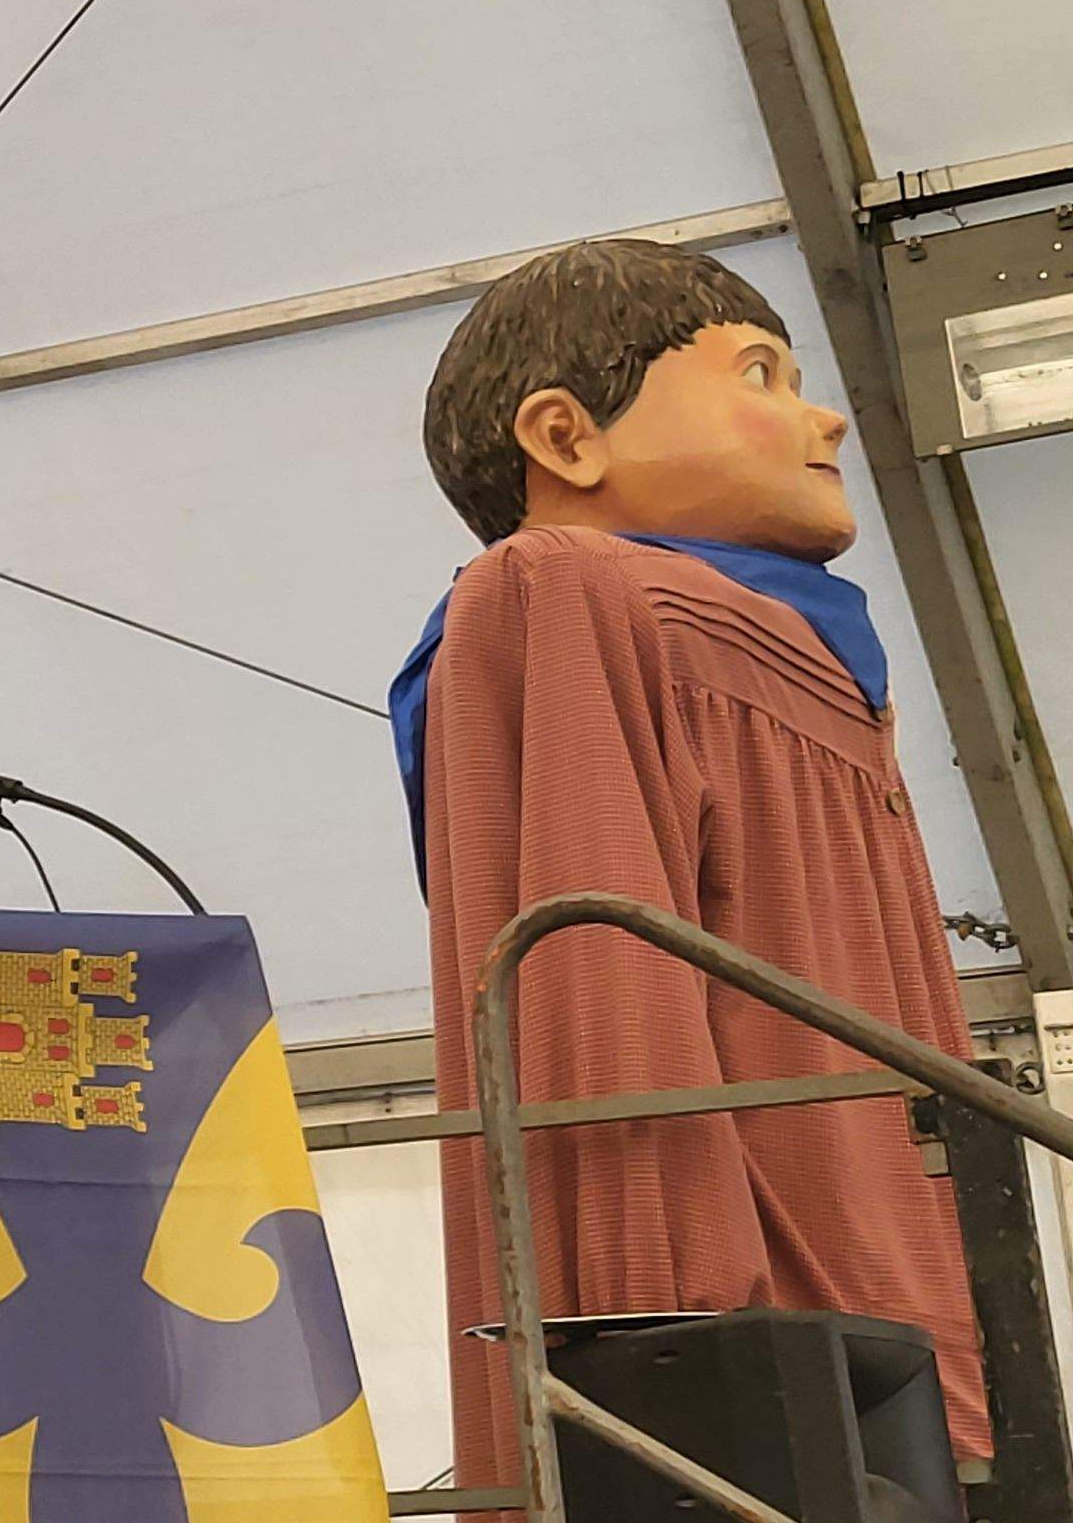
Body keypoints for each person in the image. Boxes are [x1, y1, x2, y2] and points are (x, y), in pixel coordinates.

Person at [397, 238, 985, 1492]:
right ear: (565, 438)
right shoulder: (558, 592)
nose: (821, 414)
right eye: (759, 374)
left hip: (898, 1299)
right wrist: (659, 1352)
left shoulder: (812, 659)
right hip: (745, 1336)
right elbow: (592, 998)